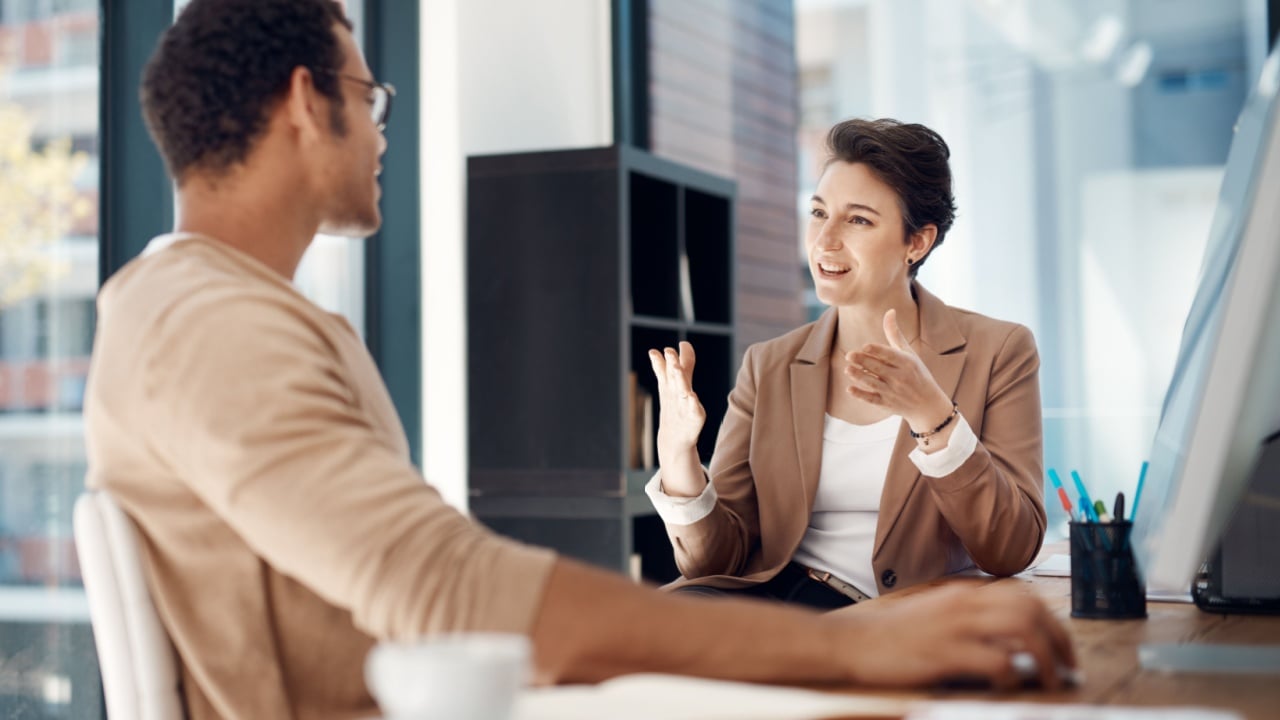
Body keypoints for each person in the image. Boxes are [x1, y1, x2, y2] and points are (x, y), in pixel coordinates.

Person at [83, 2, 1074, 717]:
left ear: (917, 238)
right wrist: (844, 654)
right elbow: (448, 591)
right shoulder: (201, 320)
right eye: (368, 97)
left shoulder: (243, 315)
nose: (384, 129)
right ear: (305, 102)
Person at [646, 118, 1046, 609]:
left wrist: (933, 418)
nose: (825, 240)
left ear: (916, 242)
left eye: (858, 220)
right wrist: (677, 459)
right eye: (818, 212)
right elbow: (717, 563)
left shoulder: (999, 351)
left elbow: (1013, 547)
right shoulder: (768, 365)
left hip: (898, 619)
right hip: (777, 603)